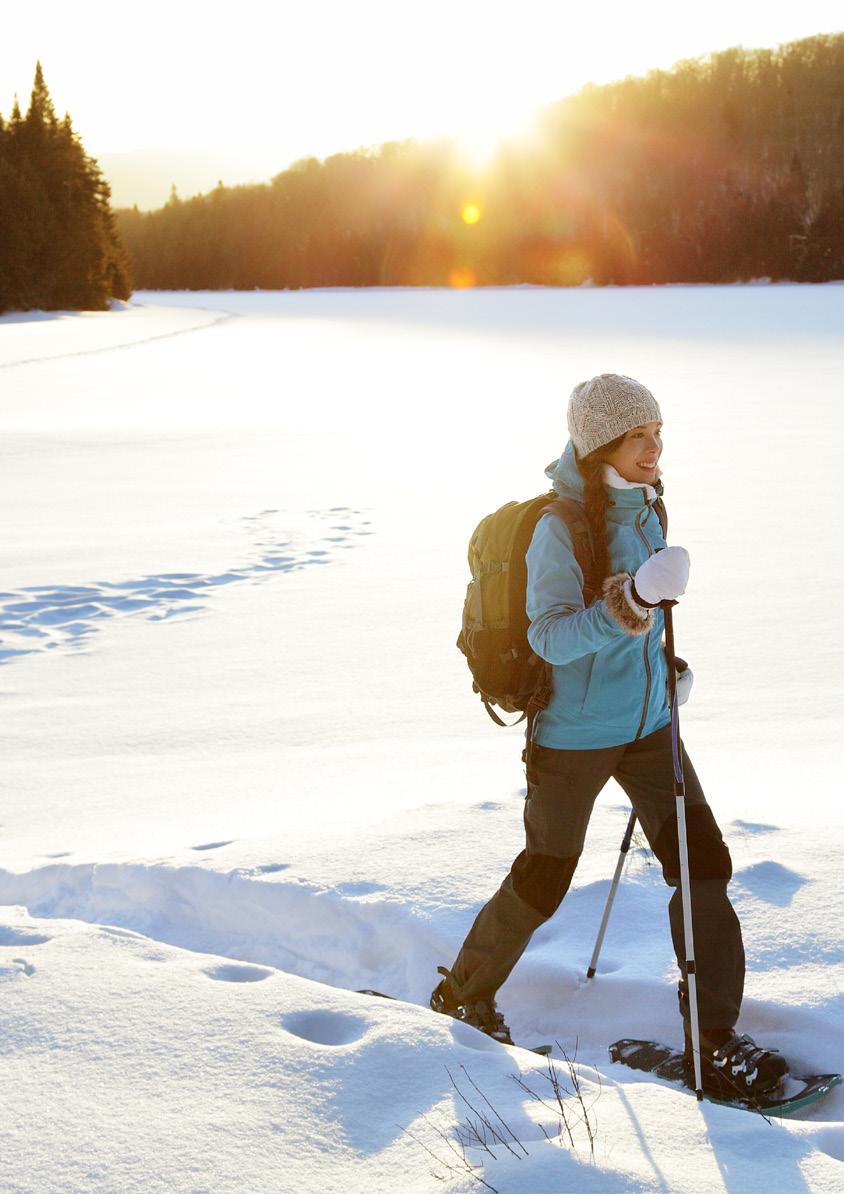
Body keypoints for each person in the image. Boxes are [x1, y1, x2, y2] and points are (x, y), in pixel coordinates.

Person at [431, 373, 788, 1098]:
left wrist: (664, 668)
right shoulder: (559, 529)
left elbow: (643, 624)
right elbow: (553, 636)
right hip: (574, 735)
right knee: (546, 872)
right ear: (602, 446)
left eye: (658, 433)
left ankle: (713, 1038)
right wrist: (634, 599)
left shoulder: (648, 505)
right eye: (638, 437)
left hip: (651, 727)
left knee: (703, 864)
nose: (655, 448)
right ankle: (464, 992)